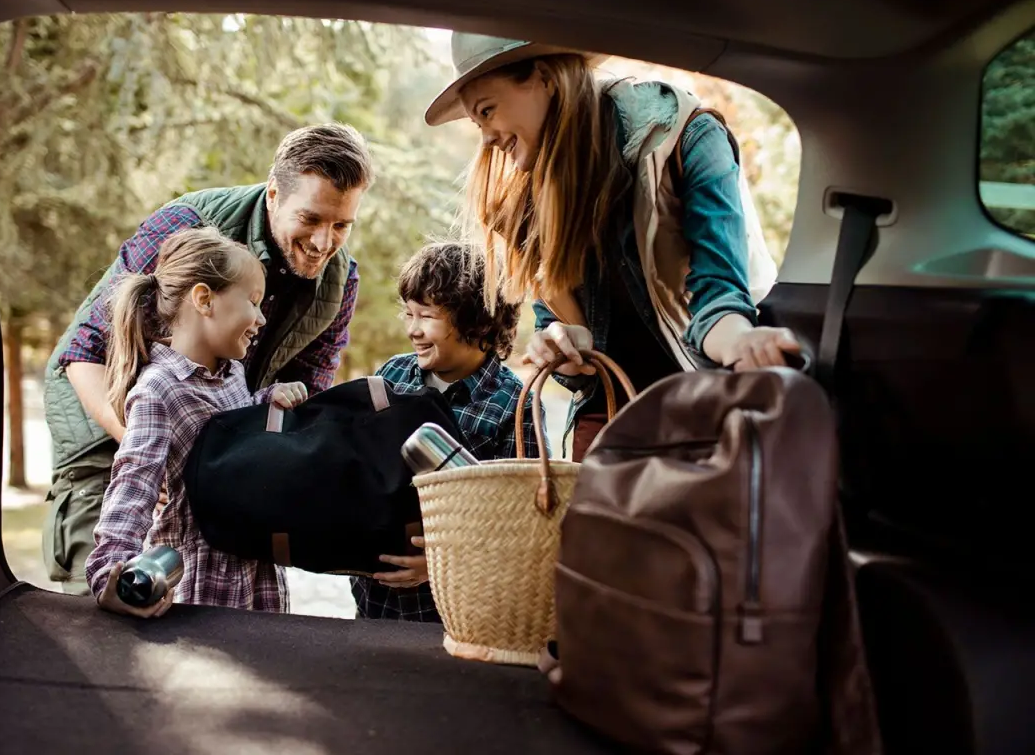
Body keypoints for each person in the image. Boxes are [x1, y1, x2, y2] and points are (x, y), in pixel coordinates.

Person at [425, 33, 800, 460]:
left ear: (544, 78)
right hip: (611, 424)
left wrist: (743, 345)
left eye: (487, 111)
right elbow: (569, 339)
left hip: (706, 406)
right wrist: (560, 345)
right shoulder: (526, 207)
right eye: (479, 124)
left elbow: (721, 299)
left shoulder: (686, 137)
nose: (488, 139)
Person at [42, 123, 374, 595]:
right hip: (109, 433)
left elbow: (303, 404)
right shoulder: (186, 223)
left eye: (341, 225)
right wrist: (154, 455)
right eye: (312, 219)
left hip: (213, 454)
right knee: (108, 610)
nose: (324, 242)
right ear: (274, 193)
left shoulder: (340, 283)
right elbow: (83, 352)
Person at [85, 226, 309, 617]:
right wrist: (110, 574)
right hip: (203, 584)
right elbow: (132, 487)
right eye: (254, 302)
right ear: (204, 299)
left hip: (257, 575)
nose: (260, 319)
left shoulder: (232, 374)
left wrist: (266, 402)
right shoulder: (159, 389)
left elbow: (231, 435)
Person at [351, 241, 548, 623]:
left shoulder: (515, 405)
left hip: (453, 612)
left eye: (426, 316)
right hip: (373, 604)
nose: (413, 329)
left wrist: (437, 564)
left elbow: (520, 524)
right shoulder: (392, 375)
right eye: (408, 313)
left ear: (476, 320)